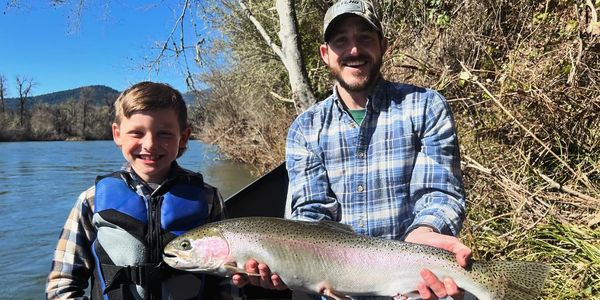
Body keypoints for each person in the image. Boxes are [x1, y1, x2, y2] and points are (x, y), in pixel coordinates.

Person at [234, 1, 472, 299]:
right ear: (325, 54)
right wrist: (288, 261)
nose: (354, 50)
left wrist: (426, 232)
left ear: (383, 46)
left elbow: (438, 194)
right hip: (335, 288)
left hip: (418, 282)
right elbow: (311, 211)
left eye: (365, 38)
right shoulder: (305, 129)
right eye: (341, 40)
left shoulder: (425, 106)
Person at [46, 82, 232, 299]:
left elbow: (226, 279)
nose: (150, 144)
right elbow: (62, 284)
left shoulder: (209, 198)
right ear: (117, 134)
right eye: (137, 133)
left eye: (164, 134)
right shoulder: (92, 200)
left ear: (183, 137)